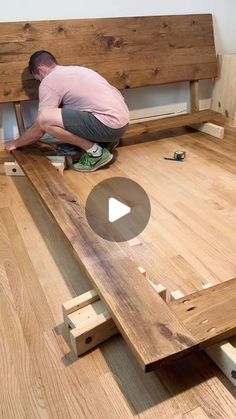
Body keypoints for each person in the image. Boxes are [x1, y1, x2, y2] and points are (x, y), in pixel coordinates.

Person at [5, 50, 129, 172]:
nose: (39, 82)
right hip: (123, 125)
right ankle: (106, 143)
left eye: (37, 79)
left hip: (109, 127)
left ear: (40, 70)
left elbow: (39, 129)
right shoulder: (78, 70)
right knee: (62, 112)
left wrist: (15, 143)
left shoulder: (49, 81)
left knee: (44, 119)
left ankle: (96, 153)